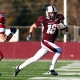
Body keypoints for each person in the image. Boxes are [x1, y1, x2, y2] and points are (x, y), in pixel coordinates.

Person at [14, 6, 68, 76]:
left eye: (54, 13)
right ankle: (51, 69)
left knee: (35, 58)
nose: (53, 15)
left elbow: (65, 29)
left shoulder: (59, 18)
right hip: (45, 41)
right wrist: (30, 34)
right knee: (59, 50)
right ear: (47, 13)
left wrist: (64, 27)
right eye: (51, 13)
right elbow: (32, 26)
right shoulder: (43, 19)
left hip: (50, 42)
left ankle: (19, 67)